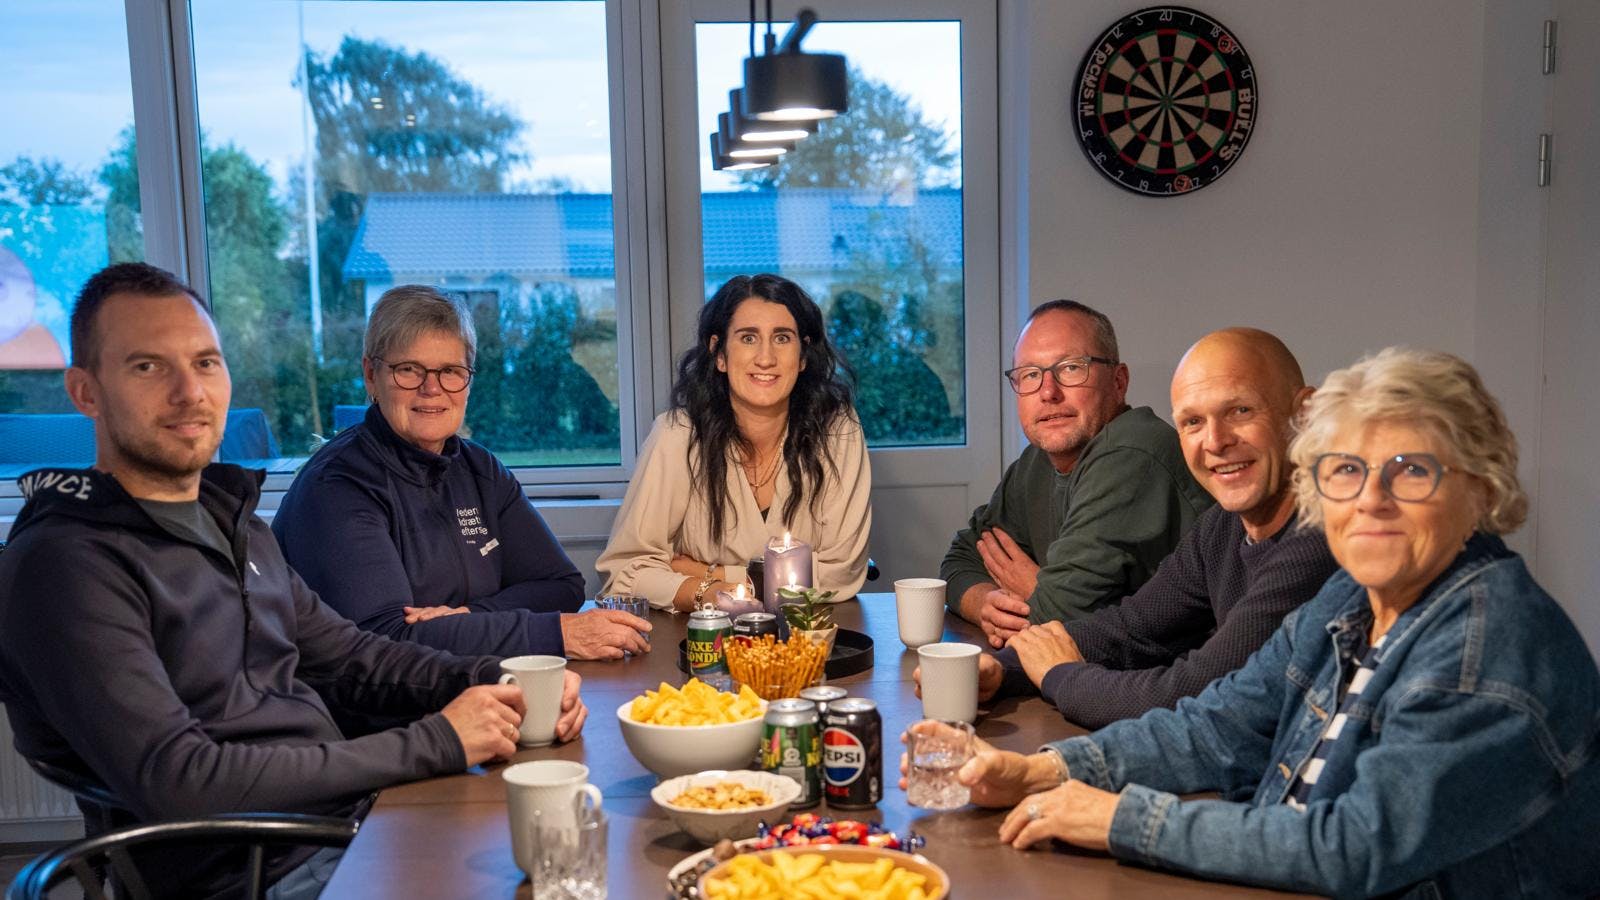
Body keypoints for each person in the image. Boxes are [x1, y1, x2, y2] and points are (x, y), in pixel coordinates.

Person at [909, 347, 1600, 897]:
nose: (1371, 502)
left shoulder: (1490, 644)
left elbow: (1350, 848)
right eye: (1344, 472)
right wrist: (1045, 770)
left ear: (1480, 487)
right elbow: (1216, 725)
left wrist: (1119, 818)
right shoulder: (1354, 599)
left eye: (1410, 472)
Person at [0, 263, 586, 898]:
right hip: (258, 871)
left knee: (582, 846)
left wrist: (496, 681)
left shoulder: (232, 524)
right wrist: (439, 739)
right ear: (84, 391)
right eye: (147, 366)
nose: (188, 392)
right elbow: (181, 777)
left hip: (346, 824)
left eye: (205, 363)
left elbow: (355, 656)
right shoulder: (64, 562)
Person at [922, 328, 1341, 728]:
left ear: (1304, 413)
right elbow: (1132, 628)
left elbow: (1198, 691)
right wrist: (1004, 669)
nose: (1215, 441)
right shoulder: (1224, 525)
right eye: (1192, 422)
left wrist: (1058, 673)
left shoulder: (1321, 537)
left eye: (1240, 411)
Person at [273, 285, 648, 661]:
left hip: (470, 688)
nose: (432, 389)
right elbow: (386, 640)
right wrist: (554, 633)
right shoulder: (337, 486)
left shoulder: (478, 469)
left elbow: (559, 585)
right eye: (409, 370)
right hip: (363, 714)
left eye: (451, 371)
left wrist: (470, 616)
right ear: (371, 375)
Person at [941, 299, 1212, 646]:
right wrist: (985, 604)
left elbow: (1057, 618)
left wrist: (1037, 593)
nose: (1048, 392)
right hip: (1090, 675)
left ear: (1118, 381)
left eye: (1070, 368)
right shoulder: (1038, 460)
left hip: (1174, 684)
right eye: (1029, 375)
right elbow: (959, 560)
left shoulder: (1131, 452)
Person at [597, 274, 870, 611]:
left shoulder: (837, 431)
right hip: (700, 642)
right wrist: (709, 593)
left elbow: (841, 573)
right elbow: (625, 573)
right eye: (748, 338)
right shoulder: (677, 434)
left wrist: (711, 573)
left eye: (782, 338)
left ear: (803, 356)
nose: (766, 358)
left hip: (808, 639)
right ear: (719, 354)